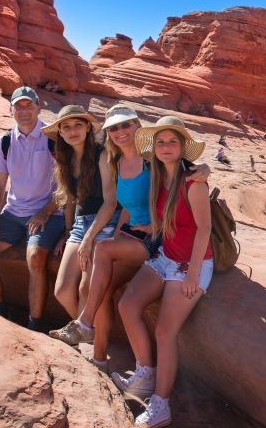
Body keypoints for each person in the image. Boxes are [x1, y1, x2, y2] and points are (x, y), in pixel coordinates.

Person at [48, 105, 210, 372]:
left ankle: (85, 326)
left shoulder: (152, 159)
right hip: (130, 236)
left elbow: (186, 169)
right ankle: (98, 358)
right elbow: (118, 205)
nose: (120, 132)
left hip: (154, 242)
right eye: (113, 128)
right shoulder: (115, 162)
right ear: (108, 133)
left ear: (137, 126)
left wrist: (203, 168)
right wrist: (114, 234)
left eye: (125, 125)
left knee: (98, 266)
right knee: (99, 287)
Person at [112, 116, 213, 427]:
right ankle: (145, 372)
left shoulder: (193, 181)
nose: (166, 147)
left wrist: (193, 273)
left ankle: (161, 404)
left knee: (164, 332)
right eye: (161, 142)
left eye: (172, 142)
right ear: (153, 148)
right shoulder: (158, 177)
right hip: (165, 256)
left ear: (182, 147)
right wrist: (148, 227)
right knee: (127, 305)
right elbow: (165, 219)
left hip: (189, 264)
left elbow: (204, 228)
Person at [0, 86, 66, 331]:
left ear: (38, 107)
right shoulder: (5, 141)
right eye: (19, 106)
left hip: (49, 212)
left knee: (35, 258)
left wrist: (45, 211)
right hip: (14, 213)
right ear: (11, 109)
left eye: (28, 105)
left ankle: (35, 324)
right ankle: (0, 313)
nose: (24, 111)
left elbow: (67, 183)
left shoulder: (52, 138)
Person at [41, 105, 121, 324]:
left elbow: (111, 201)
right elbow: (70, 200)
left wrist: (88, 238)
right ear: (60, 133)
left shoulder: (101, 154)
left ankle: (86, 339)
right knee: (62, 291)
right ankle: (85, 330)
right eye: (66, 127)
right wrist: (68, 232)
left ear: (88, 127)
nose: (72, 131)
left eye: (78, 125)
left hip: (106, 222)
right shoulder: (64, 160)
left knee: (86, 286)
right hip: (79, 225)